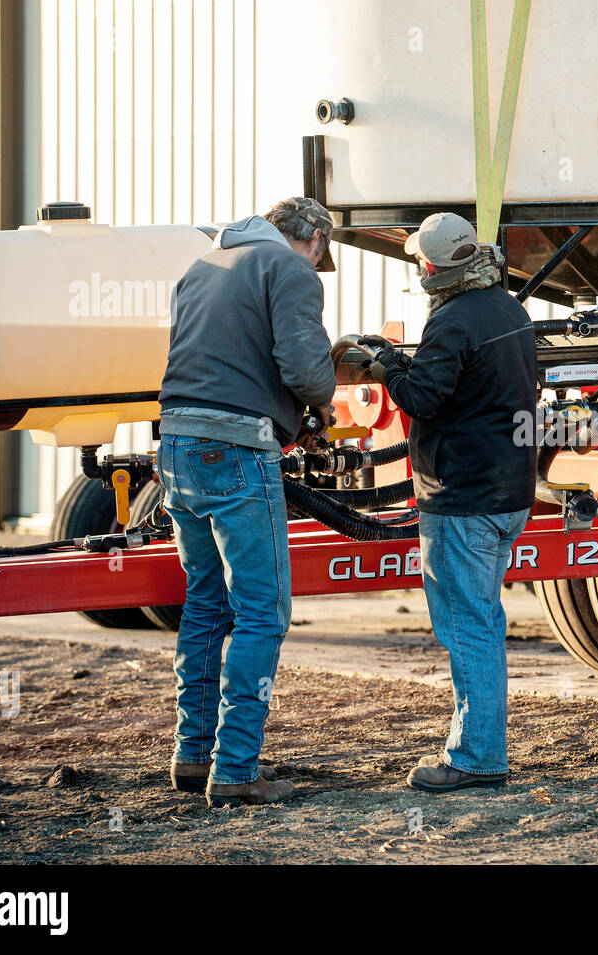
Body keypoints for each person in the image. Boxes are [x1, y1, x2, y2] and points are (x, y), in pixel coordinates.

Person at [156, 197, 337, 808]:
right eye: (320, 253)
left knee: (206, 603)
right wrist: (319, 403)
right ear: (310, 236)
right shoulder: (288, 268)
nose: (317, 262)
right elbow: (307, 370)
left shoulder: (203, 265)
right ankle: (235, 771)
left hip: (177, 443)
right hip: (237, 447)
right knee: (261, 611)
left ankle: (193, 753)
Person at [362, 212, 537, 793]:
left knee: (467, 627)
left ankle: (476, 758)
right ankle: (481, 747)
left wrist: (387, 364)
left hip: (461, 497)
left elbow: (424, 399)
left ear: (433, 266)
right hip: (508, 492)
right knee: (482, 620)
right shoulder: (509, 310)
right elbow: (473, 389)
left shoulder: (453, 320)